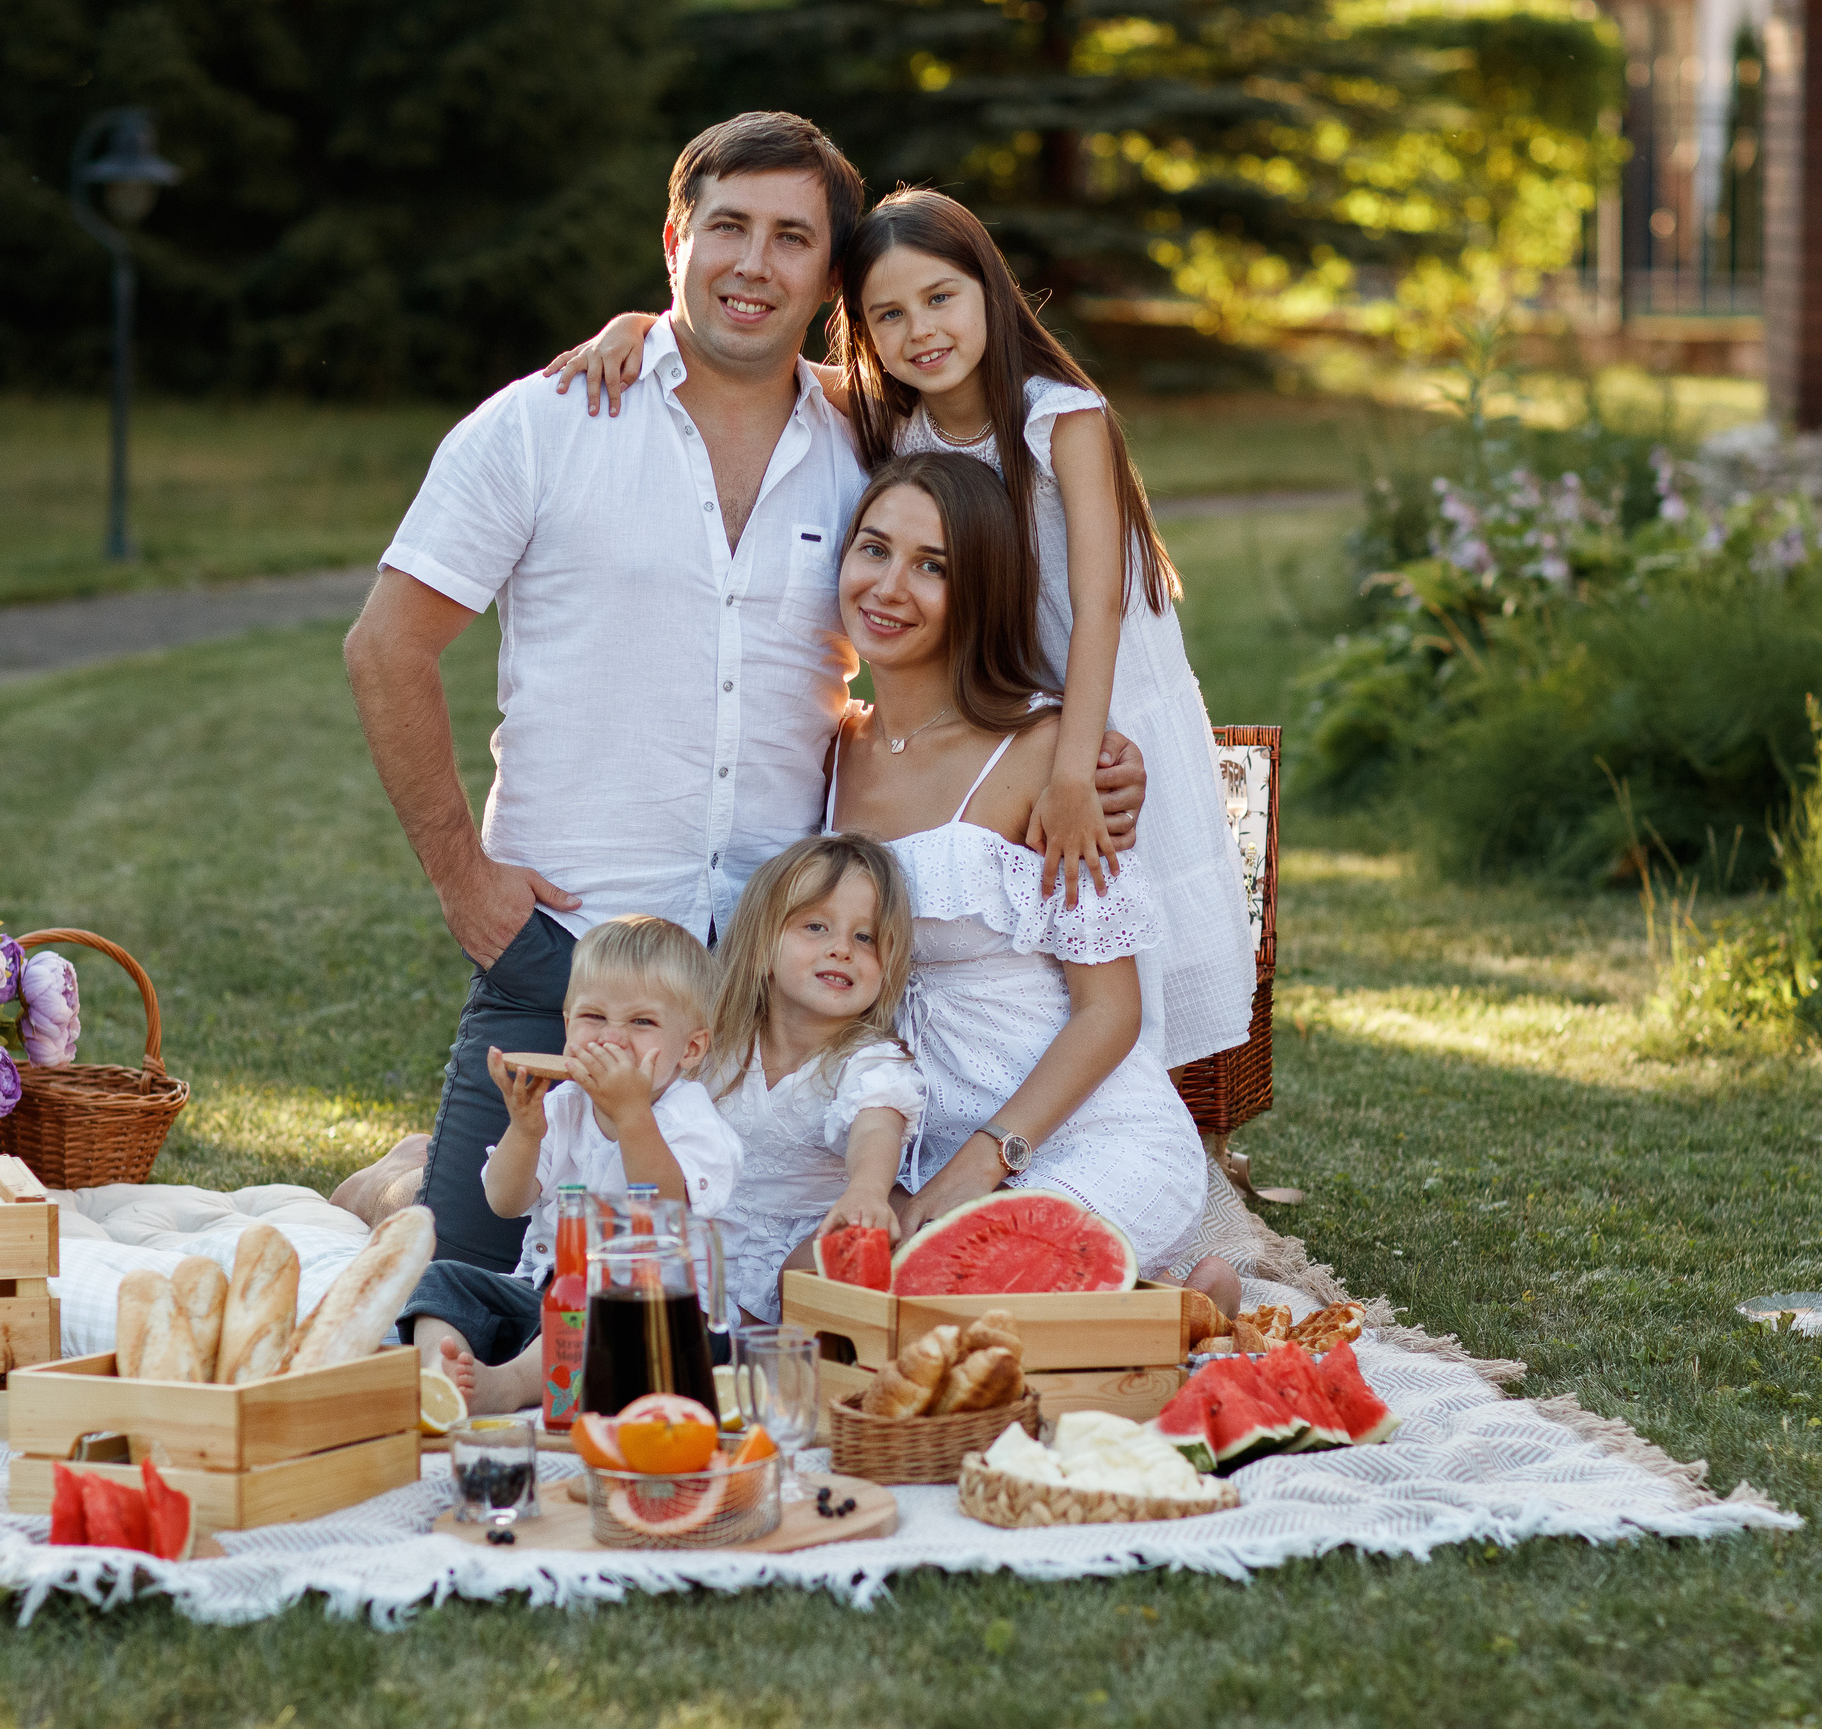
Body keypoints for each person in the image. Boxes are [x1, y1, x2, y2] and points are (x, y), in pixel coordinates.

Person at [339, 112, 1151, 1270]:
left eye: (790, 239)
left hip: (787, 981)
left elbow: (975, 574)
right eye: (727, 228)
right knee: (474, 1282)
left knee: (769, 1300)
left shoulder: (872, 442)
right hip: (571, 951)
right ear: (674, 236)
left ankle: (426, 1171)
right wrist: (466, 881)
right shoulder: (545, 422)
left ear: (828, 276)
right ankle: (411, 1180)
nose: (752, 265)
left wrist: (1076, 752)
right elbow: (384, 649)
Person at [548, 187, 1254, 1072]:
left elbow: (1101, 603)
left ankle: (1184, 1125)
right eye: (888, 315)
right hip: (1010, 700)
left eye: (941, 298)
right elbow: (765, 366)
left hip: (1109, 690)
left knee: (1126, 908)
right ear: (866, 334)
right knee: (1037, 924)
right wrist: (645, 330)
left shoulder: (1062, 418)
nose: (921, 329)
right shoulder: (900, 419)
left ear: (989, 290)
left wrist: (1075, 763)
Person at [823, 450, 1239, 1314]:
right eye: (874, 549)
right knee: (822, 1298)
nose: (889, 586)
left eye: (932, 566)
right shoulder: (829, 751)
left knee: (957, 1307)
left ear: (979, 591)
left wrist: (988, 1158)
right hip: (912, 1146)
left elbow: (1111, 1009)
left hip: (1083, 1132)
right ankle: (1163, 1307)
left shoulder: (1047, 756)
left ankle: (1179, 1324)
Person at [401, 916, 741, 1414]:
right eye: (593, 1017)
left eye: (641, 1022)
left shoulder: (691, 1120)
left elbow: (667, 1200)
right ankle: (442, 1375)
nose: (612, 1038)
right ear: (566, 1026)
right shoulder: (563, 1105)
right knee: (443, 1279)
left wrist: (631, 1113)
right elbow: (504, 1200)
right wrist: (525, 1131)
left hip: (660, 1321)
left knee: (592, 1308)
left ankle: (507, 1387)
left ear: (690, 1048)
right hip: (546, 1296)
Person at [699, 834, 925, 1326]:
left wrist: (867, 1189)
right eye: (816, 926)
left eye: (865, 937)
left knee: (808, 1274)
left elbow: (877, 1124)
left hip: (803, 1252)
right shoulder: (715, 1045)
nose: (841, 949)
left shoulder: (868, 1060)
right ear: (761, 948)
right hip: (706, 1242)